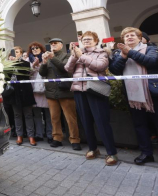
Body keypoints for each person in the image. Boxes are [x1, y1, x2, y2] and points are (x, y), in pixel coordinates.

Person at [65, 31, 118, 165]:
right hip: (79, 90)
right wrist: (73, 55)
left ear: (96, 40)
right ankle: (93, 148)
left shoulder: (102, 52)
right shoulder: (77, 52)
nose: (86, 41)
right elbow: (68, 69)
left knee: (102, 122)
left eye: (89, 39)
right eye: (84, 39)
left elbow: (100, 66)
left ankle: (111, 152)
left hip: (95, 90)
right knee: (86, 122)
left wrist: (81, 56)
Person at [109, 27, 158, 165]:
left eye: (132, 35)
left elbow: (151, 62)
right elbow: (114, 70)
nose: (129, 37)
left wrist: (129, 52)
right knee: (140, 125)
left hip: (152, 94)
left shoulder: (150, 48)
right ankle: (146, 153)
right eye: (126, 36)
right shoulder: (120, 53)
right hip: (133, 97)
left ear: (139, 37)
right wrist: (124, 56)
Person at [39, 38, 82, 150]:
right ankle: (57, 138)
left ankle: (74, 139)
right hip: (51, 92)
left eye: (55, 43)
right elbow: (42, 73)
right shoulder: (47, 57)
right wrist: (43, 63)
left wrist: (52, 58)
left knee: (70, 118)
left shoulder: (67, 55)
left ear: (61, 45)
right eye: (51, 44)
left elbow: (65, 68)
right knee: (54, 118)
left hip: (65, 91)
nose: (53, 45)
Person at [27, 42, 53, 143]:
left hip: (45, 89)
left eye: (37, 48)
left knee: (48, 114)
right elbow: (27, 74)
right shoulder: (28, 60)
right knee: (36, 114)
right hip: (34, 90)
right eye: (32, 48)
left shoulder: (46, 58)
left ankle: (50, 134)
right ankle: (39, 134)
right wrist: (33, 66)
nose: (35, 50)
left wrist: (41, 65)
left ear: (41, 49)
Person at [12, 46, 37, 146]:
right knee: (17, 115)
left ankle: (31, 136)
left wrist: (16, 63)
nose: (15, 54)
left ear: (21, 53)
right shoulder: (8, 65)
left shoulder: (26, 63)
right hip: (14, 93)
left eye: (17, 52)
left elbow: (26, 73)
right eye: (13, 52)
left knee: (28, 115)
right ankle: (19, 136)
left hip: (26, 92)